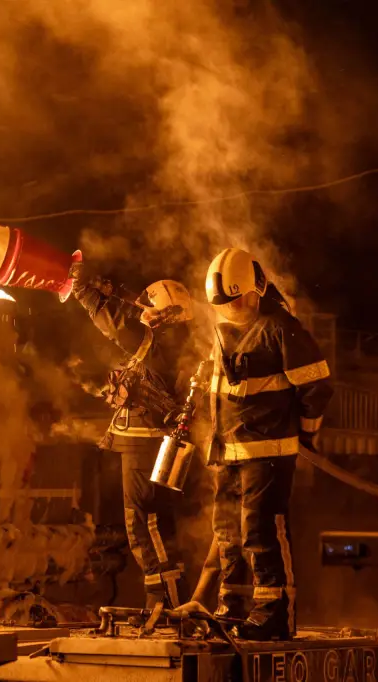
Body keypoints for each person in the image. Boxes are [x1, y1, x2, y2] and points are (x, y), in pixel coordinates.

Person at [202, 247, 333, 640]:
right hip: (229, 450)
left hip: (269, 452)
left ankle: (274, 612)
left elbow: (317, 386)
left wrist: (307, 431)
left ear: (254, 290)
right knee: (227, 530)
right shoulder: (225, 331)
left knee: (261, 529)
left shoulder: (281, 327)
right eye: (224, 304)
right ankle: (232, 605)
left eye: (236, 300)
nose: (231, 309)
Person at [71, 264, 196, 610]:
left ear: (164, 314)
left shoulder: (159, 345)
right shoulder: (174, 344)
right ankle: (168, 601)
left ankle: (166, 607)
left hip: (146, 446)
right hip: (152, 444)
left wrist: (84, 292)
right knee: (154, 526)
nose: (142, 313)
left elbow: (115, 327)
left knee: (144, 523)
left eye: (147, 307)